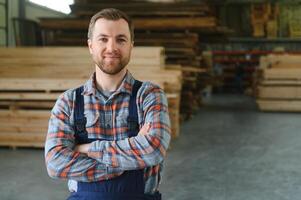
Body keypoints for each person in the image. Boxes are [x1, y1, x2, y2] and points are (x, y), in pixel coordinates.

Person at [44, 8, 171, 200]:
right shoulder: (68, 101)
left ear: (131, 46)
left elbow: (153, 150)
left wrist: (86, 149)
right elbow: (55, 164)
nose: (111, 48)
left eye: (121, 39)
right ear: (90, 46)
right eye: (103, 39)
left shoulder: (149, 95)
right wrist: (127, 159)